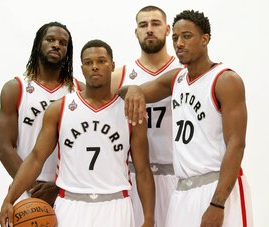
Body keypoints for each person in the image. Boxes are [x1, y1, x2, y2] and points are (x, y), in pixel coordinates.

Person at [0, 39, 155, 227]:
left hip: (115, 205)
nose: (95, 67)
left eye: (101, 61)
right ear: (81, 68)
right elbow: (36, 158)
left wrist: (148, 218)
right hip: (71, 205)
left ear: (112, 65)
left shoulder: (129, 111)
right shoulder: (60, 108)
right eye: (89, 63)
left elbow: (143, 170)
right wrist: (10, 198)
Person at [119, 10, 253, 227]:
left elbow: (236, 145)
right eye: (175, 38)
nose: (179, 43)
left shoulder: (225, 80)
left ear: (205, 39)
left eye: (187, 36)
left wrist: (218, 204)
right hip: (182, 190)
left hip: (217, 186)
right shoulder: (177, 78)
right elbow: (132, 92)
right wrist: (134, 88)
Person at [0, 22, 83, 206]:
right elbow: (4, 148)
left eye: (63, 42)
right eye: (50, 39)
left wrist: (58, 188)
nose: (56, 45)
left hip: (66, 192)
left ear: (68, 50)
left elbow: (85, 146)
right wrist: (30, 184)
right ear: (38, 44)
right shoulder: (16, 88)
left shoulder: (79, 91)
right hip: (26, 191)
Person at [111, 5, 182, 227]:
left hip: (177, 176)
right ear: (136, 32)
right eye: (143, 25)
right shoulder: (119, 75)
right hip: (134, 177)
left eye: (155, 24)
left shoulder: (184, 70)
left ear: (168, 29)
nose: (149, 29)